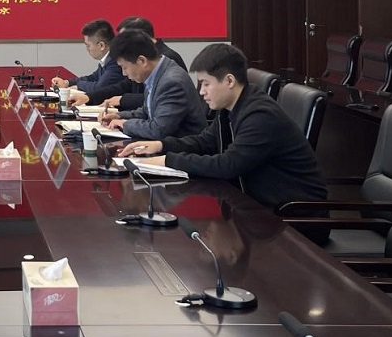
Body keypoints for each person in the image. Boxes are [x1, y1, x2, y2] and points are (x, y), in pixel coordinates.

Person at [117, 43, 328, 211]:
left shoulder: (260, 115)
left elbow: (228, 165)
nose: (201, 92)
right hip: (257, 206)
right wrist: (161, 145)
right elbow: (205, 142)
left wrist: (167, 161)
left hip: (293, 217)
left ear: (229, 81)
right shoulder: (232, 106)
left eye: (206, 84)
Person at [101, 29, 207, 139]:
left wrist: (124, 124)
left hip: (183, 146)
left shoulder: (171, 82)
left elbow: (158, 130)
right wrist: (119, 116)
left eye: (124, 67)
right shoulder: (157, 71)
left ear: (142, 61)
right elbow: (147, 111)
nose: (124, 73)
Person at [50, 18, 122, 94]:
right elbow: (93, 78)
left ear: (101, 45)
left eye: (88, 46)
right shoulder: (107, 59)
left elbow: (99, 87)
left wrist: (78, 86)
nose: (87, 50)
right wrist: (67, 83)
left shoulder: (115, 62)